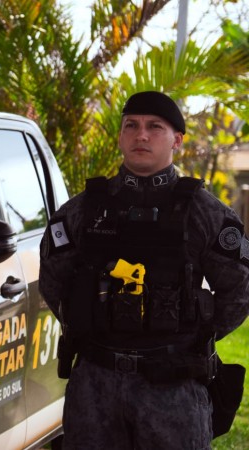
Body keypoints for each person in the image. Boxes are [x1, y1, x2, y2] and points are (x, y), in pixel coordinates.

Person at [39, 90, 249, 449]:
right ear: (120, 137)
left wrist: (190, 336)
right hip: (95, 385)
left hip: (174, 387)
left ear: (177, 140)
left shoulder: (205, 213)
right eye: (131, 126)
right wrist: (91, 322)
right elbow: (53, 281)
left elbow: (239, 290)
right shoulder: (83, 211)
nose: (142, 135)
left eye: (155, 127)